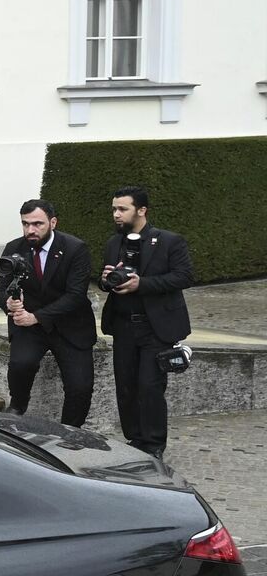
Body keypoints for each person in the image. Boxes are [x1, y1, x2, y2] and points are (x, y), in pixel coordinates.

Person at [99, 186, 194, 459]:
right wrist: (107, 280)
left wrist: (142, 284)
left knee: (150, 386)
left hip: (156, 327)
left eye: (122, 209)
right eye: (114, 209)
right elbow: (107, 283)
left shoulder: (168, 241)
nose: (116, 214)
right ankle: (135, 439)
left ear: (141, 210)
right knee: (126, 386)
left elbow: (184, 277)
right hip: (123, 325)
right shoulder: (112, 243)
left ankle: (153, 446)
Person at [0, 199, 96, 427]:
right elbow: (0, 290)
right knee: (21, 364)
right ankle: (17, 406)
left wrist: (36, 317)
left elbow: (76, 295)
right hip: (29, 328)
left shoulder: (75, 248)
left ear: (53, 222)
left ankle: (70, 431)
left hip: (70, 325)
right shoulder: (14, 248)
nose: (30, 230)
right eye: (25, 224)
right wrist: (8, 303)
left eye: (37, 224)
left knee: (80, 386)